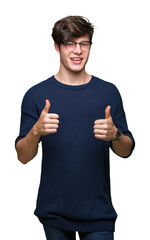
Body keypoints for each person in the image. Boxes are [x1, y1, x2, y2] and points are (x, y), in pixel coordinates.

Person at [15, 16, 135, 240]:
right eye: (70, 43)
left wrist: (115, 135)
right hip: (54, 212)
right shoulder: (36, 95)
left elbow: (126, 150)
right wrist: (35, 131)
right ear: (57, 46)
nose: (77, 51)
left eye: (84, 43)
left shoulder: (108, 93)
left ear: (90, 46)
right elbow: (23, 156)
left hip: (98, 212)